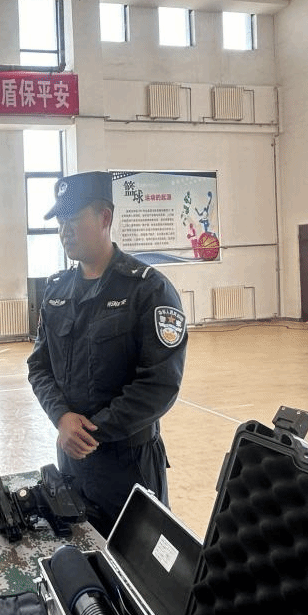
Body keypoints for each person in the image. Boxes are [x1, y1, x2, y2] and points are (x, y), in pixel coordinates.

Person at [27, 171, 187, 538]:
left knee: (135, 562)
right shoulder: (57, 292)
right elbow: (39, 366)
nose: (64, 231)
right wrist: (61, 417)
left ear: (104, 217)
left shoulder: (148, 290)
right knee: (82, 553)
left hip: (127, 467)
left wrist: (88, 432)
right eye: (60, 222)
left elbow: (160, 385)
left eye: (73, 219)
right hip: (72, 461)